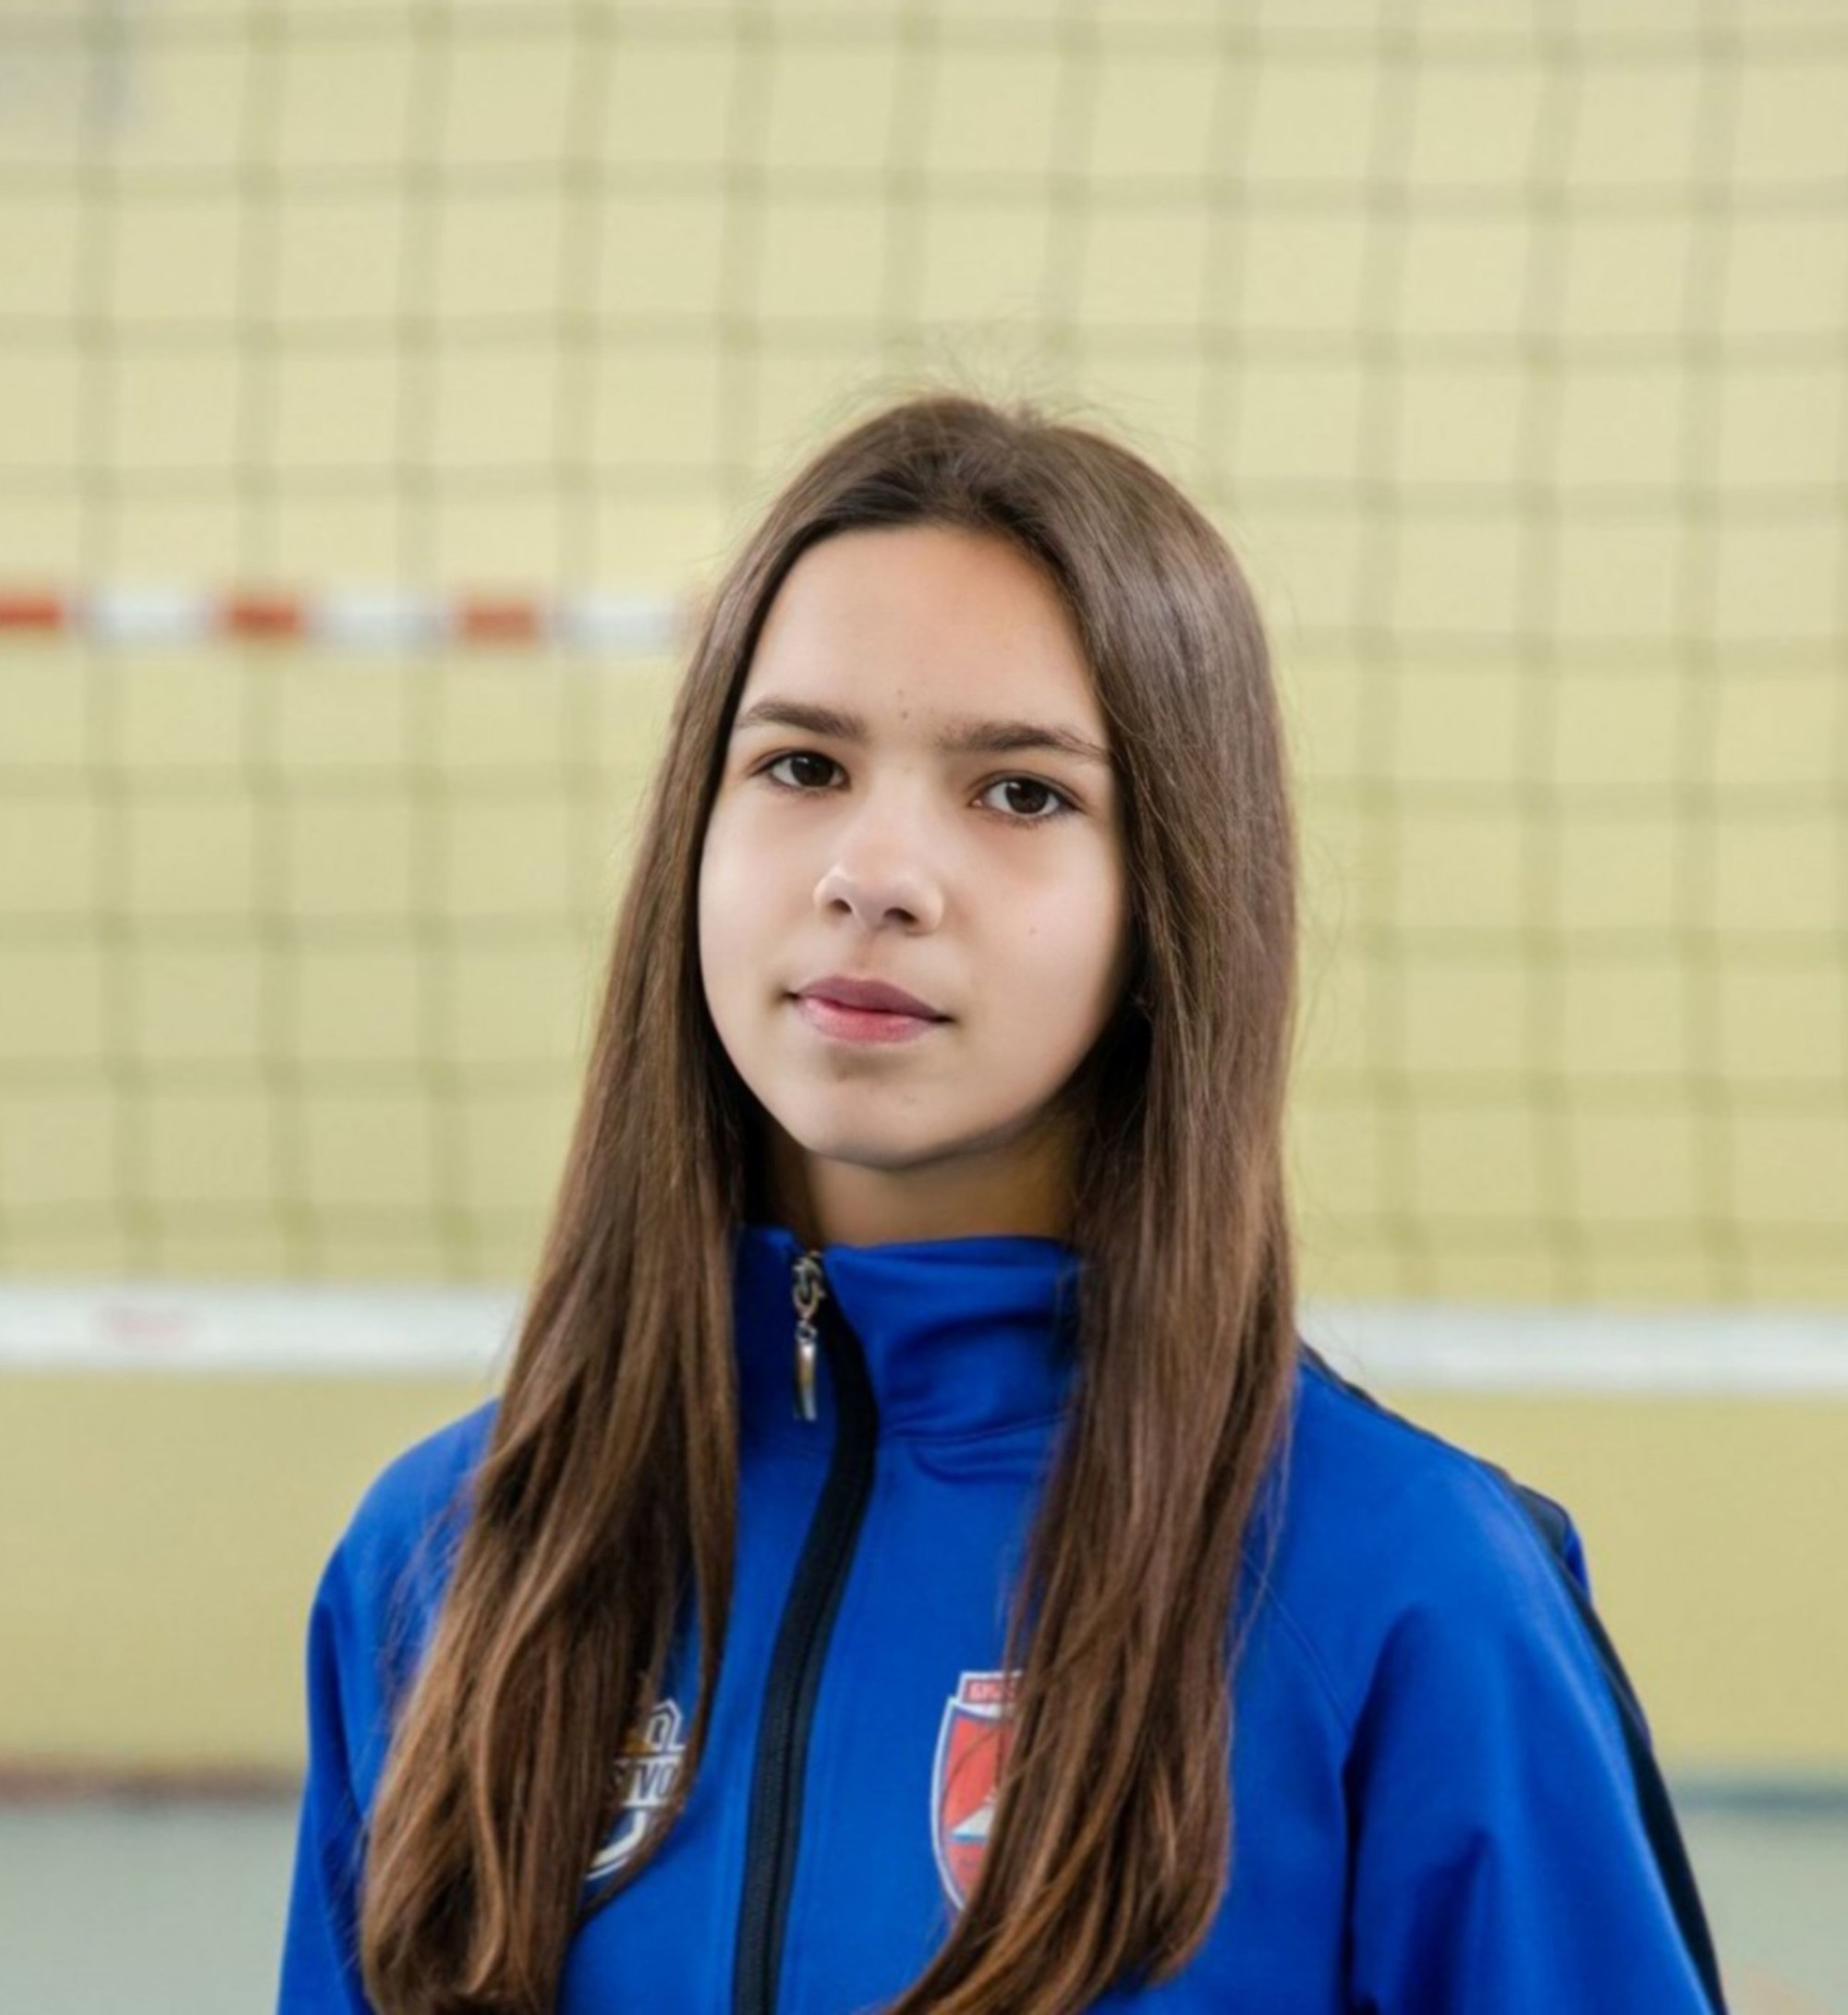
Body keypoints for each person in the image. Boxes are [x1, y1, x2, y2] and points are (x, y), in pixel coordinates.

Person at [277, 390, 1730, 2013]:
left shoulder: (1398, 1592)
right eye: (802, 763)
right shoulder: (444, 1563)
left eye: (1022, 792)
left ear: (1167, 900)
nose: (875, 872)